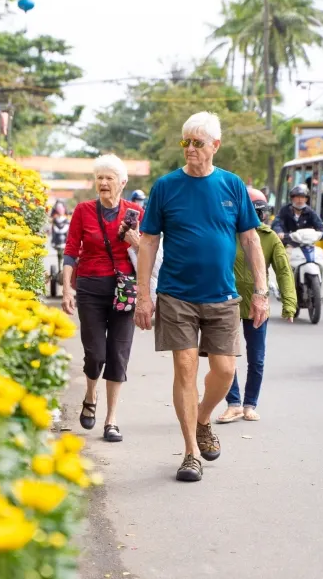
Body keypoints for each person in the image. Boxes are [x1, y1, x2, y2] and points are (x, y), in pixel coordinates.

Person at [134, 111, 268, 483]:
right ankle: (191, 452)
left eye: (198, 143)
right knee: (186, 368)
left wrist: (261, 291)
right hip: (176, 295)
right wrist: (143, 296)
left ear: (215, 146)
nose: (191, 149)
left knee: (225, 371)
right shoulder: (166, 186)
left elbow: (251, 240)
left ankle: (204, 416)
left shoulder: (232, 186)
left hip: (223, 296)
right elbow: (147, 242)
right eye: (186, 142)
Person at [61, 154, 143, 443]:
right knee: (95, 354)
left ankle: (111, 420)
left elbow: (149, 255)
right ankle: (90, 394)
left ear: (122, 182)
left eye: (110, 178)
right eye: (100, 178)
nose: (104, 182)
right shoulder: (83, 211)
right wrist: (68, 287)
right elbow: (71, 250)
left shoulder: (135, 212)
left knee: (118, 354)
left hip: (125, 290)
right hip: (90, 288)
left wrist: (137, 242)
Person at [215, 188, 297, 424]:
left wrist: (289, 304)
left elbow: (283, 271)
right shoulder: (226, 234)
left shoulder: (270, 237)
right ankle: (233, 404)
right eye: (254, 210)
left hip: (257, 305)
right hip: (226, 302)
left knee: (256, 358)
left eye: (261, 211)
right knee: (226, 356)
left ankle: (250, 404)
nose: (258, 216)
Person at [272, 184, 323, 298]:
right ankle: (283, 287)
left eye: (303, 197)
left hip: (308, 245)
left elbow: (320, 226)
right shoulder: (285, 211)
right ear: (292, 198)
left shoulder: (310, 212)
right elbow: (277, 224)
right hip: (291, 245)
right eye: (297, 197)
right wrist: (280, 233)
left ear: (306, 199)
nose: (300, 200)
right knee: (284, 262)